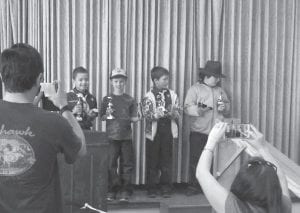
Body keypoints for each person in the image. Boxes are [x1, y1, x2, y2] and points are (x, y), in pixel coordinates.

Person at [0, 43, 86, 213]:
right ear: (39, 79)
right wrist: (64, 107)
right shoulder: (53, 121)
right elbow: (81, 149)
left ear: (2, 77)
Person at [196, 122, 292, 213]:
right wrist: (262, 148)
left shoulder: (235, 208)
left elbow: (201, 173)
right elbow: (281, 178)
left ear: (242, 184)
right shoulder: (283, 206)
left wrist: (211, 140)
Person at [184, 60, 230, 195]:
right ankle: (194, 186)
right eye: (215, 77)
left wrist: (225, 107)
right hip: (198, 132)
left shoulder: (220, 91)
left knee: (214, 161)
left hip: (216, 133)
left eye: (218, 78)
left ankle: (211, 187)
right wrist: (198, 110)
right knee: (196, 160)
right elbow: (187, 107)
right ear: (206, 76)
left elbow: (227, 107)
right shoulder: (195, 89)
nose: (217, 80)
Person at [100, 68, 139, 202]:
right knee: (110, 164)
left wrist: (137, 117)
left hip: (126, 137)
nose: (119, 84)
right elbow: (102, 117)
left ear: (125, 82)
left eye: (121, 81)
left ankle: (125, 190)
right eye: (116, 81)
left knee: (127, 164)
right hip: (111, 137)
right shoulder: (106, 99)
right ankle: (112, 189)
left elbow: (135, 118)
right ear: (111, 82)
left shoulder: (130, 99)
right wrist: (107, 113)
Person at [141, 66, 181, 198]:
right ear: (155, 80)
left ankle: (166, 187)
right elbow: (146, 114)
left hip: (168, 131)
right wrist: (156, 115)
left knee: (166, 160)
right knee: (152, 160)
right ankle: (151, 187)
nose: (167, 81)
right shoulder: (148, 95)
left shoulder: (173, 94)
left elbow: (179, 111)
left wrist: (174, 113)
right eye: (164, 79)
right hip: (153, 132)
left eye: (167, 79)